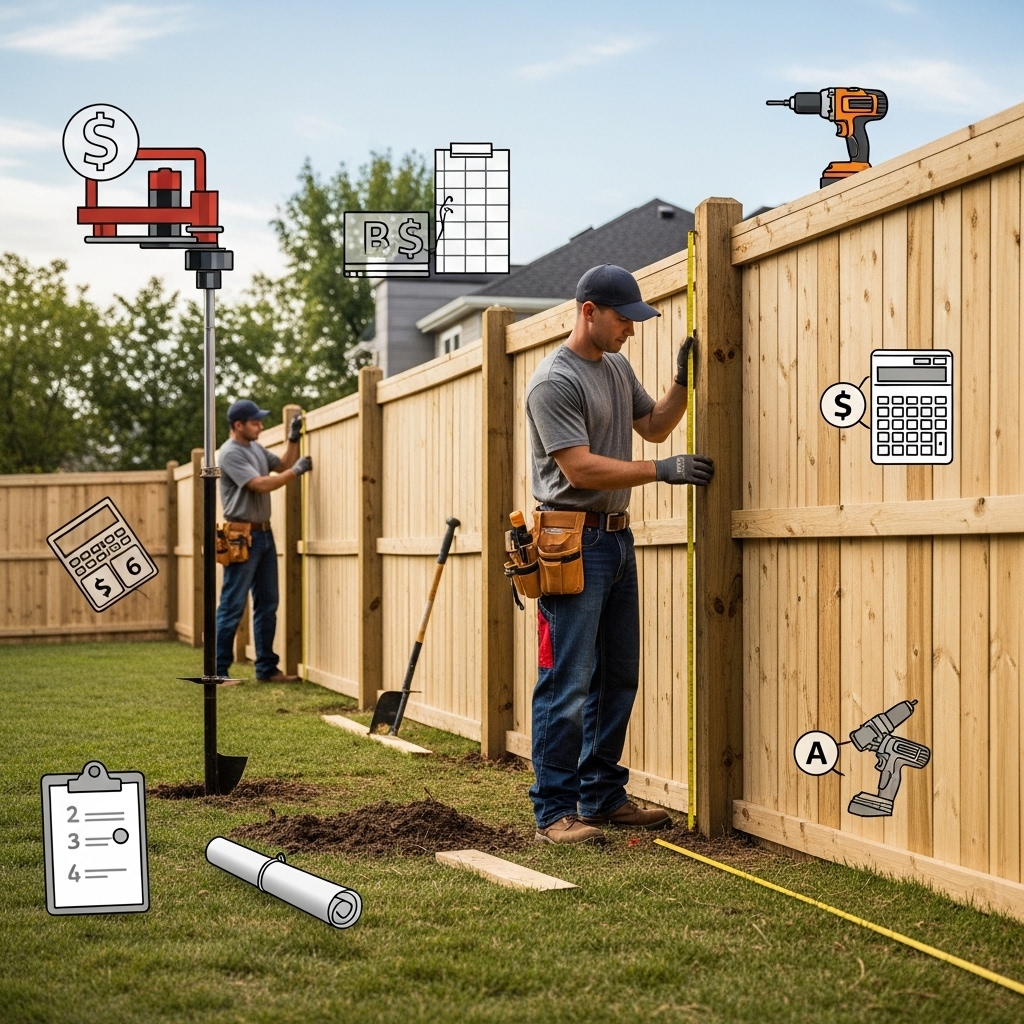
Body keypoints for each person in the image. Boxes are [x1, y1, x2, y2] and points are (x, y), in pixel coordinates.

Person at [525, 264, 715, 845]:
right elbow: (578, 467)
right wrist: (662, 473)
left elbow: (654, 426)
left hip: (615, 539)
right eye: (623, 319)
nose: (631, 330)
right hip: (570, 543)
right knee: (567, 681)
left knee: (618, 677)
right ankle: (554, 812)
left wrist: (683, 383)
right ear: (589, 311)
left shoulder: (615, 367)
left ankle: (601, 797)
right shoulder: (553, 382)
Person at [215, 399, 312, 683]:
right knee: (232, 605)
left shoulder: (254, 447)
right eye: (255, 422)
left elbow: (282, 463)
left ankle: (266, 669)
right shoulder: (230, 453)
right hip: (240, 536)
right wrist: (295, 472)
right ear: (238, 425)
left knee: (268, 603)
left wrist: (293, 438)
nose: (261, 426)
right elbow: (259, 484)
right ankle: (218, 671)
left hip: (264, 535)